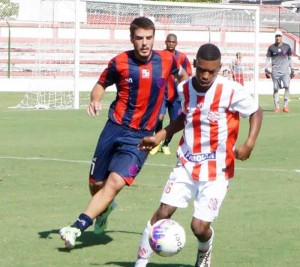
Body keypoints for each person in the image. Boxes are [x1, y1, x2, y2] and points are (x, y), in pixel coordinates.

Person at [59, 16, 189, 249]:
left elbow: (183, 75)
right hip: (114, 128)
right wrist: (95, 99)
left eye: (149, 38)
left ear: (153, 38)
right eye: (139, 38)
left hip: (142, 137)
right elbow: (101, 84)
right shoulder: (119, 62)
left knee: (116, 182)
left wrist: (188, 92)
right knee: (96, 183)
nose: (144, 43)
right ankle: (105, 208)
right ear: (132, 39)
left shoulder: (167, 59)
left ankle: (77, 227)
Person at [134, 43, 263, 267]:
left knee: (199, 227)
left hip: (217, 169)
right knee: (162, 213)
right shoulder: (184, 88)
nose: (205, 75)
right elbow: (185, 116)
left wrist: (249, 143)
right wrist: (160, 135)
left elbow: (255, 111)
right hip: (186, 162)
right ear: (194, 65)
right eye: (201, 69)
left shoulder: (230, 90)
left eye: (211, 71)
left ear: (219, 69)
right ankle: (141, 262)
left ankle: (205, 250)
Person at [150, 33, 192, 155]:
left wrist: (180, 79)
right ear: (165, 42)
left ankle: (166, 144)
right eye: (169, 42)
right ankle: (156, 142)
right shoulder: (160, 55)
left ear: (176, 43)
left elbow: (188, 73)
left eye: (173, 42)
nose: (171, 44)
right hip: (162, 93)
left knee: (175, 120)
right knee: (159, 117)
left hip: (177, 96)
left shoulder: (182, 57)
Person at [265, 29, 295, 113]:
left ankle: (285, 106)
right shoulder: (271, 48)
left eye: (279, 36)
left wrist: (292, 69)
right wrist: (266, 69)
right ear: (275, 37)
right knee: (275, 89)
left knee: (287, 87)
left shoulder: (287, 46)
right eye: (276, 36)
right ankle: (277, 106)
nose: (278, 38)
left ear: (282, 37)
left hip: (285, 71)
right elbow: (267, 59)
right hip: (275, 71)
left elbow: (290, 59)